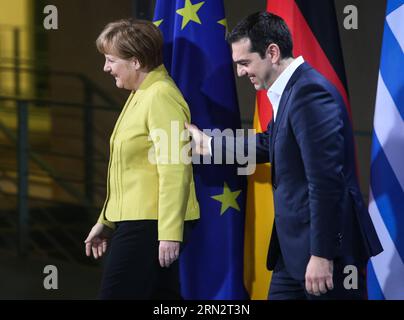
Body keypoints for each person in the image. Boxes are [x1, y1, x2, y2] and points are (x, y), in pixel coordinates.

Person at [186, 12, 383, 299]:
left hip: (324, 255)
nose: (240, 72)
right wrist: (211, 144)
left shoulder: (310, 93)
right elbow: (270, 143)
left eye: (245, 62)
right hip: (293, 254)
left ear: (272, 53)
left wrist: (322, 254)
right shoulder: (294, 90)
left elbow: (326, 182)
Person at [84, 18, 200, 299]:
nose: (106, 67)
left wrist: (169, 232)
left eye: (111, 60)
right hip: (141, 220)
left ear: (135, 61)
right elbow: (131, 173)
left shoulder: (160, 96)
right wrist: (107, 220)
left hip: (152, 223)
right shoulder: (142, 93)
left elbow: (175, 168)